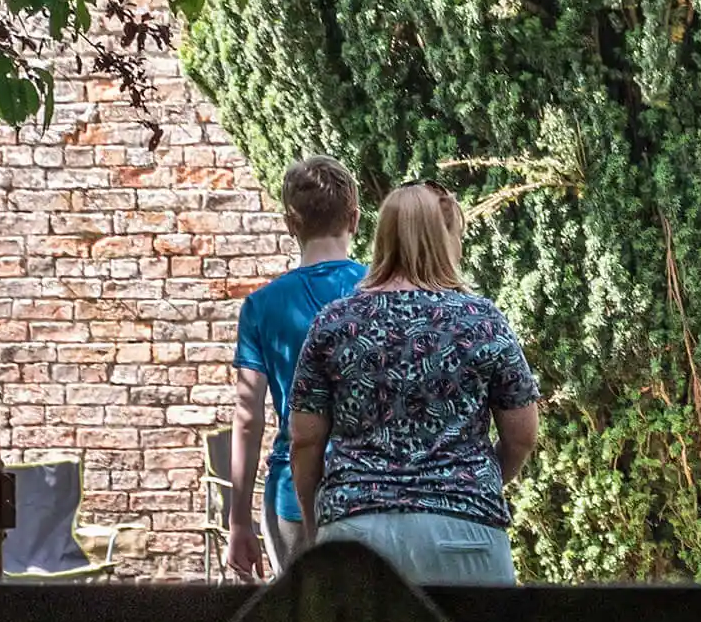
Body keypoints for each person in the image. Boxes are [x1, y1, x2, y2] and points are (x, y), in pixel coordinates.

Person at [287, 181, 541, 586]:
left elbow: (304, 440)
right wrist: (475, 484)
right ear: (444, 239)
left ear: (381, 236)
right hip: (465, 534)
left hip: (355, 535)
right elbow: (523, 434)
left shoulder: (334, 322)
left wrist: (316, 521)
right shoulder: (482, 320)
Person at [226, 157, 366, 580]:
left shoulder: (262, 306)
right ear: (355, 219)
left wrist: (238, 520)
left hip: (291, 489)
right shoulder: (381, 292)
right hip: (369, 486)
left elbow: (248, 417)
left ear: (290, 222)